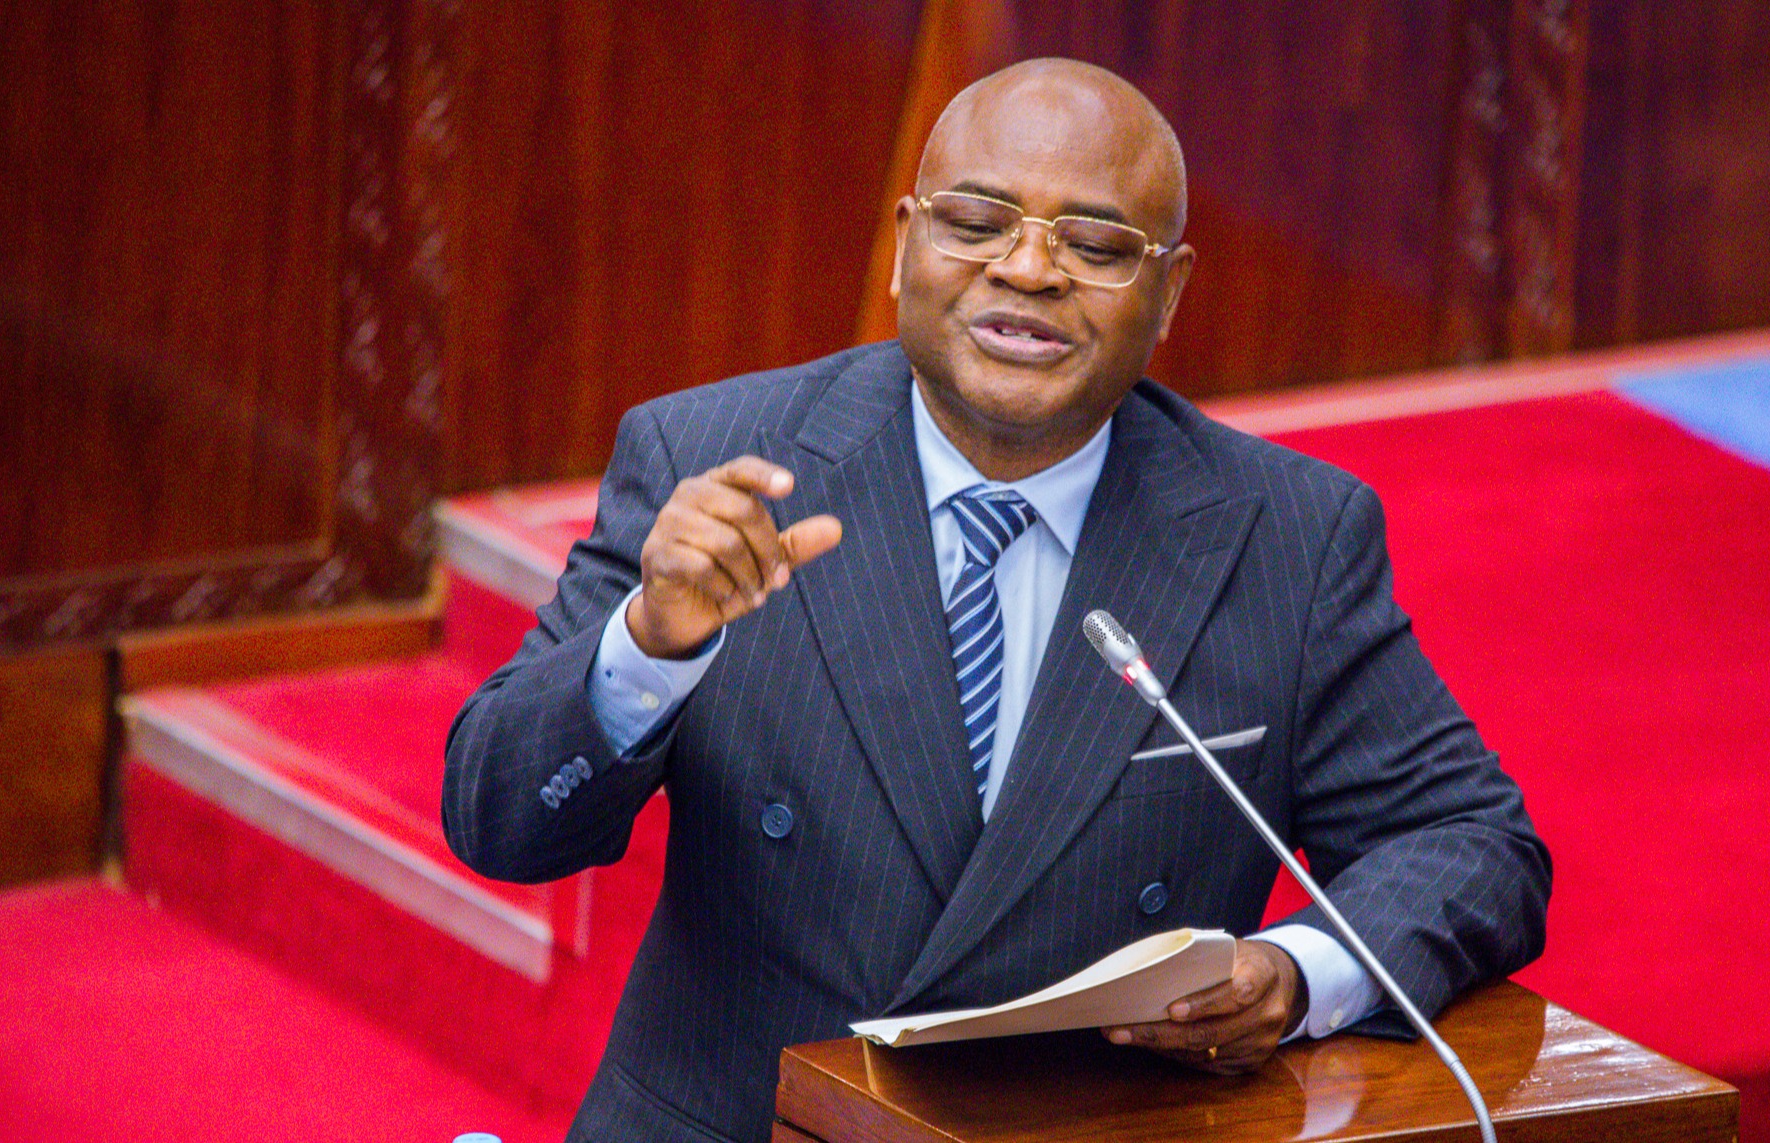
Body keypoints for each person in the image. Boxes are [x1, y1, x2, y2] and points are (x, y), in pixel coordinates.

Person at [444, 58, 1549, 1143]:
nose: (1027, 269)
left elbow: (1471, 840)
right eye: (976, 224)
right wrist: (648, 645)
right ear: (904, 246)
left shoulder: (1285, 534)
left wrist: (1296, 974)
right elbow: (499, 822)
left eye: (1095, 246)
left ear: (1169, 292)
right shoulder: (712, 459)